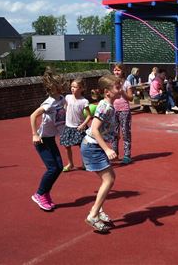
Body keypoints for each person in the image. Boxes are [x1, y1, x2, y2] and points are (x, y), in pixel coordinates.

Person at [81, 74, 121, 233]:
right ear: (107, 92)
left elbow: (103, 128)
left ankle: (98, 210)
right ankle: (93, 214)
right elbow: (95, 129)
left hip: (94, 145)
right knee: (109, 179)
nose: (120, 89)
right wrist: (107, 149)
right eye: (117, 87)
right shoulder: (105, 106)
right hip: (93, 147)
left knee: (109, 179)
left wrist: (113, 134)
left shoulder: (108, 105)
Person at [30, 67, 67, 211]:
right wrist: (35, 134)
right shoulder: (49, 102)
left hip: (51, 138)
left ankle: (45, 193)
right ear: (54, 87)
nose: (63, 86)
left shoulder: (62, 99)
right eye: (61, 85)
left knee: (59, 168)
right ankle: (39, 194)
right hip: (42, 140)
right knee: (52, 168)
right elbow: (33, 116)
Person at [61, 78, 91, 172]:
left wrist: (83, 125)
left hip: (79, 127)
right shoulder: (67, 97)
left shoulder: (84, 101)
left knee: (82, 146)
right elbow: (64, 108)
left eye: (75, 87)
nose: (72, 88)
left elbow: (89, 115)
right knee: (67, 145)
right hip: (68, 126)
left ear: (81, 88)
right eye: (71, 86)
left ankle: (84, 163)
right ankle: (70, 164)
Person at [112, 63, 134, 164]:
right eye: (115, 70)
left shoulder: (127, 83)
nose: (116, 72)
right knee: (114, 133)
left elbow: (131, 98)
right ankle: (114, 154)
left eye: (118, 70)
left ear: (123, 71)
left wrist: (122, 93)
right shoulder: (111, 83)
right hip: (113, 110)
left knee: (125, 132)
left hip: (124, 110)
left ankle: (127, 155)